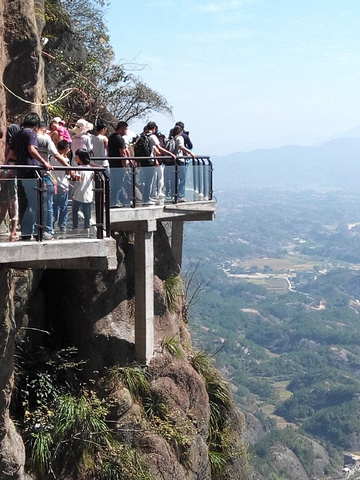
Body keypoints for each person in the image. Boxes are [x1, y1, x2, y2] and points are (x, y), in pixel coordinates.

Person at [8, 113, 53, 240]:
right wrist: (44, 162)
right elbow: (32, 149)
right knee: (38, 202)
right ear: (36, 125)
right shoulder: (31, 133)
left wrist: (21, 159)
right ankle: (41, 232)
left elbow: (11, 154)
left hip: (21, 172)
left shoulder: (17, 134)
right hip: (32, 172)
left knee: (24, 203)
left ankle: (26, 233)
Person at [37, 122, 70, 239]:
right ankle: (52, 228)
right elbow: (58, 157)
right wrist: (70, 169)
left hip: (48, 181)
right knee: (55, 206)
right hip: (54, 182)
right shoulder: (45, 139)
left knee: (51, 205)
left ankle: (38, 228)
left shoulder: (50, 157)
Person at [136, 121, 175, 204]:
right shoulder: (152, 136)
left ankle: (146, 197)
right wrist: (170, 153)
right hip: (149, 161)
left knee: (145, 180)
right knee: (149, 181)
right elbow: (159, 148)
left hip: (142, 161)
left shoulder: (141, 136)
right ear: (154, 129)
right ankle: (146, 199)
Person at [107, 121, 131, 205]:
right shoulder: (120, 139)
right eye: (125, 129)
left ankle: (122, 199)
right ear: (120, 129)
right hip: (118, 165)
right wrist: (124, 165)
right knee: (118, 183)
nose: (126, 131)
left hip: (112, 163)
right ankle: (114, 201)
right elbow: (123, 153)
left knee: (115, 183)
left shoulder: (111, 138)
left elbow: (108, 150)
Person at [71, 149, 94, 232]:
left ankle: (75, 226)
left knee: (75, 210)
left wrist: (73, 191)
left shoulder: (79, 169)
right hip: (88, 192)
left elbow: (78, 182)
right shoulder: (90, 169)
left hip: (79, 193)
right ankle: (86, 226)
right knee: (86, 211)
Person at [51, 140, 71, 233]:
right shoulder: (66, 160)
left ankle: (52, 223)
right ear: (66, 149)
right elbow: (68, 172)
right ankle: (62, 225)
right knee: (63, 207)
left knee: (54, 206)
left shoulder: (51, 157)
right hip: (63, 185)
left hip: (53, 184)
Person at [173, 125, 195, 202]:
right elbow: (181, 146)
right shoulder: (180, 138)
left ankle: (174, 194)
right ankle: (180, 195)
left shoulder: (172, 138)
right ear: (181, 131)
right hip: (180, 160)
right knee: (182, 178)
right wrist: (190, 152)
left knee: (176, 178)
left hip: (174, 160)